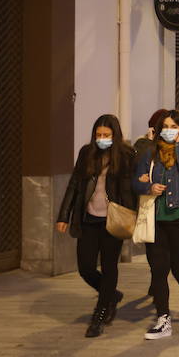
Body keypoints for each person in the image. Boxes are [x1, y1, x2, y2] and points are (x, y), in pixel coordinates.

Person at [56, 114, 137, 337]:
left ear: (115, 135)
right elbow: (74, 185)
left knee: (109, 266)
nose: (102, 139)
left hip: (114, 220)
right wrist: (63, 216)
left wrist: (134, 216)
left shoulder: (126, 156)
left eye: (106, 135)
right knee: (86, 267)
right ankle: (111, 294)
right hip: (89, 218)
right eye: (98, 135)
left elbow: (132, 189)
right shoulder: (86, 153)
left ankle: (100, 315)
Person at [134, 109, 179, 339]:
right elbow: (135, 181)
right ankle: (163, 319)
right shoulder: (150, 153)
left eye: (174, 127)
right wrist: (148, 187)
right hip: (155, 218)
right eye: (165, 126)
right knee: (158, 269)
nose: (169, 131)